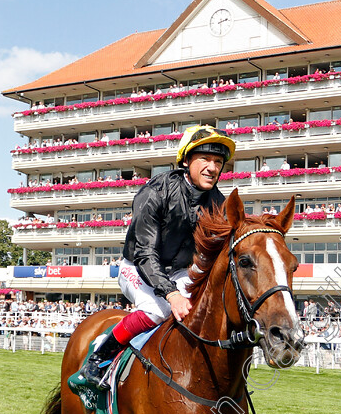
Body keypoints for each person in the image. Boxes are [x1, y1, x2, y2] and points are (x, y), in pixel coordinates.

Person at [76, 125, 236, 388]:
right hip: (137, 267)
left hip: (180, 271)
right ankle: (99, 357)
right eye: (205, 159)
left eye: (218, 161)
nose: (212, 167)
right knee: (157, 308)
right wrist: (171, 294)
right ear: (186, 160)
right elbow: (145, 253)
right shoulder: (156, 191)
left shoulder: (218, 203)